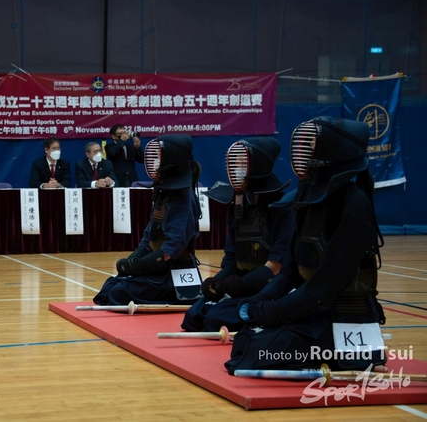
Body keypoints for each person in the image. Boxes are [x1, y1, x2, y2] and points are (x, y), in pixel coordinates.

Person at [225, 117, 386, 374]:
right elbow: (288, 273)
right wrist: (254, 303)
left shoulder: (354, 206)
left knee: (256, 351)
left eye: (311, 146)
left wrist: (270, 311)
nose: (305, 153)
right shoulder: (308, 201)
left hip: (345, 316)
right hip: (316, 312)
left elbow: (323, 286)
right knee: (245, 340)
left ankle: (359, 357)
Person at [181, 137, 295, 333]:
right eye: (235, 163)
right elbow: (232, 257)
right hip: (243, 283)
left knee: (215, 319)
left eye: (243, 163)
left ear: (259, 164)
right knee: (194, 316)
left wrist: (243, 284)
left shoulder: (282, 206)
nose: (237, 169)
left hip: (271, 286)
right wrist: (219, 282)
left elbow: (276, 266)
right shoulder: (237, 205)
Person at [93, 134, 203, 306]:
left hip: (173, 272)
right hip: (157, 267)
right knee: (110, 286)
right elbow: (149, 234)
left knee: (118, 292)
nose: (155, 162)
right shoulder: (163, 192)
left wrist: (141, 265)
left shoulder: (184, 197)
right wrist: (133, 260)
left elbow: (172, 247)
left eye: (159, 157)